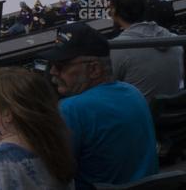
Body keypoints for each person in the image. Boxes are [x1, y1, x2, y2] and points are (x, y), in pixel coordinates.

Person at [43, 22, 158, 187]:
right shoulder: (133, 92)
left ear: (94, 69)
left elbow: (51, 173)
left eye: (61, 66)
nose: (53, 71)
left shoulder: (71, 109)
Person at [109, 0, 183, 101]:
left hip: (140, 117)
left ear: (113, 11)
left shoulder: (117, 48)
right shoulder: (174, 39)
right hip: (173, 114)